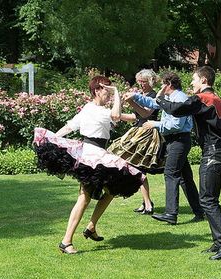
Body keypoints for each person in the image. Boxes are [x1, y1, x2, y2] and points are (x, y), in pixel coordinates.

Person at [129, 66, 221, 260]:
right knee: (210, 200)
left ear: (204, 80)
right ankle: (218, 242)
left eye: (194, 80)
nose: (191, 83)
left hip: (212, 153)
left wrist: (161, 97)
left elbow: (177, 110)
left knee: (207, 200)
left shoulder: (203, 98)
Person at [33, 76, 144, 254]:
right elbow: (72, 126)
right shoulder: (92, 109)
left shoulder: (99, 110)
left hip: (99, 155)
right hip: (91, 156)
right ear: (97, 91)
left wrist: (141, 111)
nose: (109, 94)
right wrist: (51, 140)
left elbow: (125, 117)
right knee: (84, 198)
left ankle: (91, 226)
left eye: (110, 90)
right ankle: (66, 241)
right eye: (106, 90)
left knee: (112, 190)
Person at [138, 71, 204, 224]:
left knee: (170, 173)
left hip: (179, 140)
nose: (160, 87)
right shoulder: (170, 97)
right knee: (185, 178)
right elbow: (153, 103)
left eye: (162, 84)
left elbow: (176, 125)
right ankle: (199, 211)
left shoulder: (179, 98)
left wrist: (154, 124)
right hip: (175, 141)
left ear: (168, 84)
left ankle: (171, 214)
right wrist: (134, 97)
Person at [108, 69, 162, 215]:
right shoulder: (142, 95)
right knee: (135, 167)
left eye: (144, 82)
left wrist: (131, 101)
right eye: (139, 82)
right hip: (138, 130)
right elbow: (136, 116)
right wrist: (117, 115)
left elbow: (146, 114)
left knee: (139, 168)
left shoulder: (154, 96)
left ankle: (148, 203)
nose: (141, 85)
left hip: (147, 133)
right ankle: (146, 202)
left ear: (150, 81)